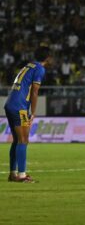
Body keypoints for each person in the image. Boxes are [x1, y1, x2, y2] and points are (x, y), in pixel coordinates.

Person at [4, 45, 54, 182]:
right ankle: (22, 175)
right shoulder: (40, 69)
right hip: (19, 106)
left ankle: (13, 174)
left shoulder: (28, 66)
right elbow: (35, 91)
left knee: (17, 140)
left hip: (10, 104)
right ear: (48, 58)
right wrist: (33, 112)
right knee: (23, 140)